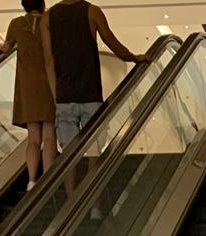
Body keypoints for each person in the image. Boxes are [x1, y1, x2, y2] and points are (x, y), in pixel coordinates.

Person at [41, 0, 144, 155]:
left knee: (68, 155)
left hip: (65, 96)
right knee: (94, 151)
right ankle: (92, 171)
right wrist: (134, 58)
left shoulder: (47, 17)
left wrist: (56, 97)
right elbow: (112, 43)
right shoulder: (92, 11)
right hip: (91, 94)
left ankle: (72, 173)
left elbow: (49, 61)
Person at [4, 0, 56, 189]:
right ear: (42, 5)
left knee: (33, 137)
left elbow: (6, 47)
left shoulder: (17, 23)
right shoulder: (50, 21)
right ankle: (48, 179)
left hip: (27, 87)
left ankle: (32, 180)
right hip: (49, 84)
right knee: (49, 135)